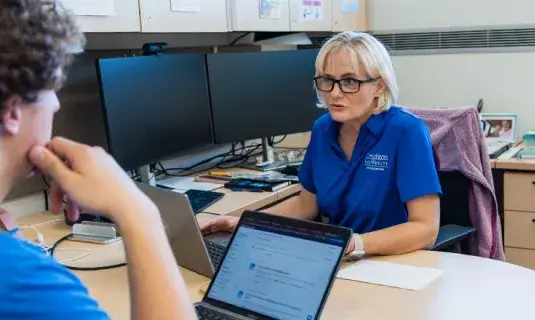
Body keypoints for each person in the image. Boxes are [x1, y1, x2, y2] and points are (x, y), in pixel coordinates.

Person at [0, 1, 196, 319]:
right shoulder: (24, 282)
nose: (56, 106)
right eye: (54, 90)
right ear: (12, 112)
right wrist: (138, 211)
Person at [201, 31, 442, 257]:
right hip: (334, 257)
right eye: (327, 80)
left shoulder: (405, 131)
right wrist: (246, 221)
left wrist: (355, 244)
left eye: (349, 82)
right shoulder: (323, 128)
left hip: (393, 259)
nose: (335, 94)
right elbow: (306, 205)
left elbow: (426, 229)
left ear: (379, 85)